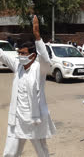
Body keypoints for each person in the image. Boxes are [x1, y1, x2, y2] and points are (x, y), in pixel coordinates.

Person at [1, 15, 56, 157]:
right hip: (17, 119)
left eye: (23, 53)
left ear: (32, 55)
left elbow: (46, 60)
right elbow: (2, 56)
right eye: (18, 53)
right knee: (10, 153)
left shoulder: (40, 69)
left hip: (34, 119)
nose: (20, 56)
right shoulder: (18, 65)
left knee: (42, 152)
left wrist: (38, 37)